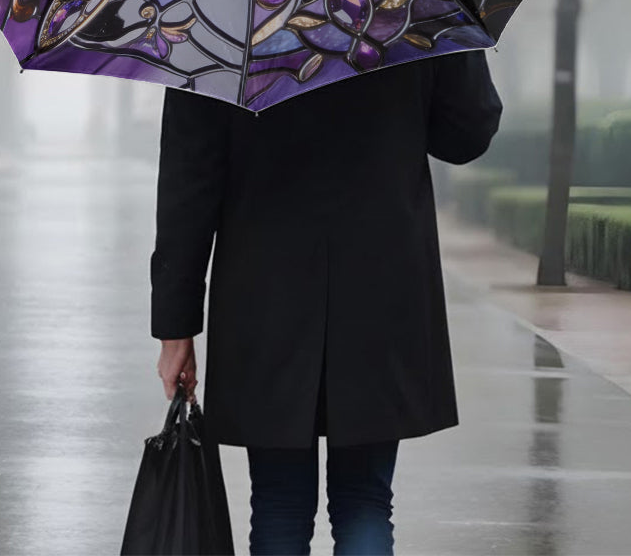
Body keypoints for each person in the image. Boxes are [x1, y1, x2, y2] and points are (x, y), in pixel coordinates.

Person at [150, 48, 503, 555]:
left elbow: (190, 177)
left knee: (278, 501)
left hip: (264, 292)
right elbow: (467, 132)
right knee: (365, 499)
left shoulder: (223, 12)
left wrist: (175, 327)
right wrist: (453, 38)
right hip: (382, 284)